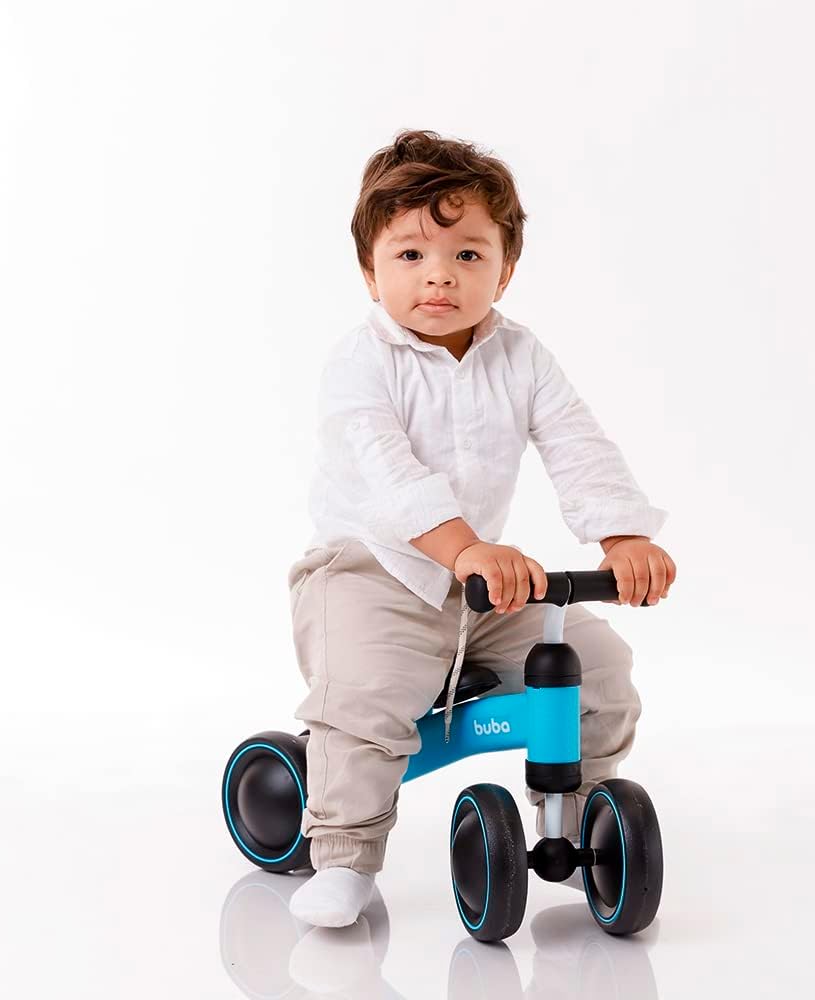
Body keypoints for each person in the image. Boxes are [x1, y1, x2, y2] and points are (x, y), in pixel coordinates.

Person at [286, 129, 677, 927]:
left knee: (597, 668)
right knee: (364, 701)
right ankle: (345, 855)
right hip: (370, 575)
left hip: (478, 587)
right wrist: (464, 547)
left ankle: (580, 821)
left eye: (468, 254)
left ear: (506, 269)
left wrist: (622, 536)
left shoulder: (521, 357)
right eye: (410, 255)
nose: (440, 275)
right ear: (370, 271)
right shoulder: (361, 364)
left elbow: (575, 440)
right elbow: (390, 474)